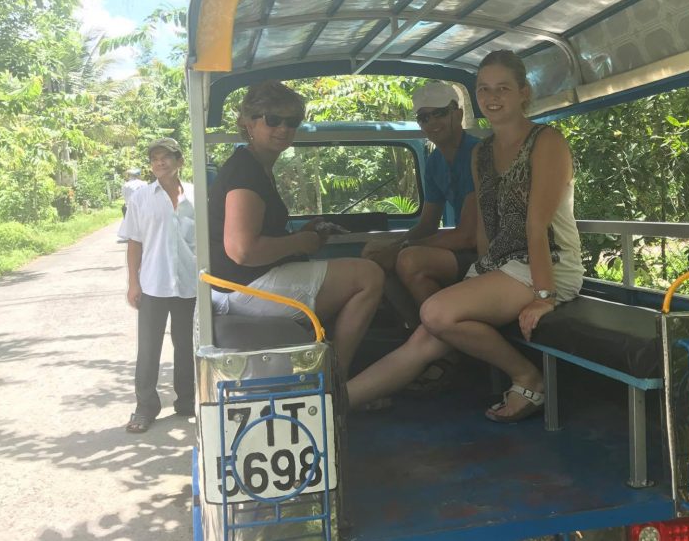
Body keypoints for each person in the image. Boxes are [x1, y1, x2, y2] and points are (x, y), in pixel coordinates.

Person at [346, 50, 583, 422]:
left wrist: (544, 297)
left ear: (523, 92)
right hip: (503, 265)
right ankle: (335, 404)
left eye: (503, 88)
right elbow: (486, 226)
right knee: (424, 338)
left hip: (549, 266)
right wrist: (482, 271)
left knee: (436, 311)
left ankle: (528, 378)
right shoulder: (483, 153)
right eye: (484, 89)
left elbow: (537, 227)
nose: (492, 97)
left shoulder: (546, 141)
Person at [208, 80, 384, 376]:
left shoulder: (255, 166)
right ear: (249, 123)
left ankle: (324, 368)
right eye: (272, 119)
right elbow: (242, 250)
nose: (283, 128)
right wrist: (300, 243)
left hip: (239, 284)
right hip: (241, 287)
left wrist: (302, 234)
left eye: (292, 121)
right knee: (370, 276)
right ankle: (336, 379)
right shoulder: (245, 172)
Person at [363, 81, 479, 312]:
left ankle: (439, 332)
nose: (432, 122)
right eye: (424, 118)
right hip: (464, 250)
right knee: (372, 251)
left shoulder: (478, 154)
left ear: (458, 113)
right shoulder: (435, 162)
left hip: (487, 252)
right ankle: (421, 329)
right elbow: (427, 224)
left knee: (410, 260)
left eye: (440, 113)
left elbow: (468, 236)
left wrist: (402, 247)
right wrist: (392, 245)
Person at [118, 137, 196, 434]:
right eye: (154, 158)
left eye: (165, 157)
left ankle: (187, 400)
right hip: (153, 283)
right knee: (149, 348)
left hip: (188, 283)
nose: (159, 163)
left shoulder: (196, 194)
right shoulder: (140, 199)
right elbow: (135, 243)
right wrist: (133, 282)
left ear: (179, 161)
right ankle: (145, 406)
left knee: (186, 345)